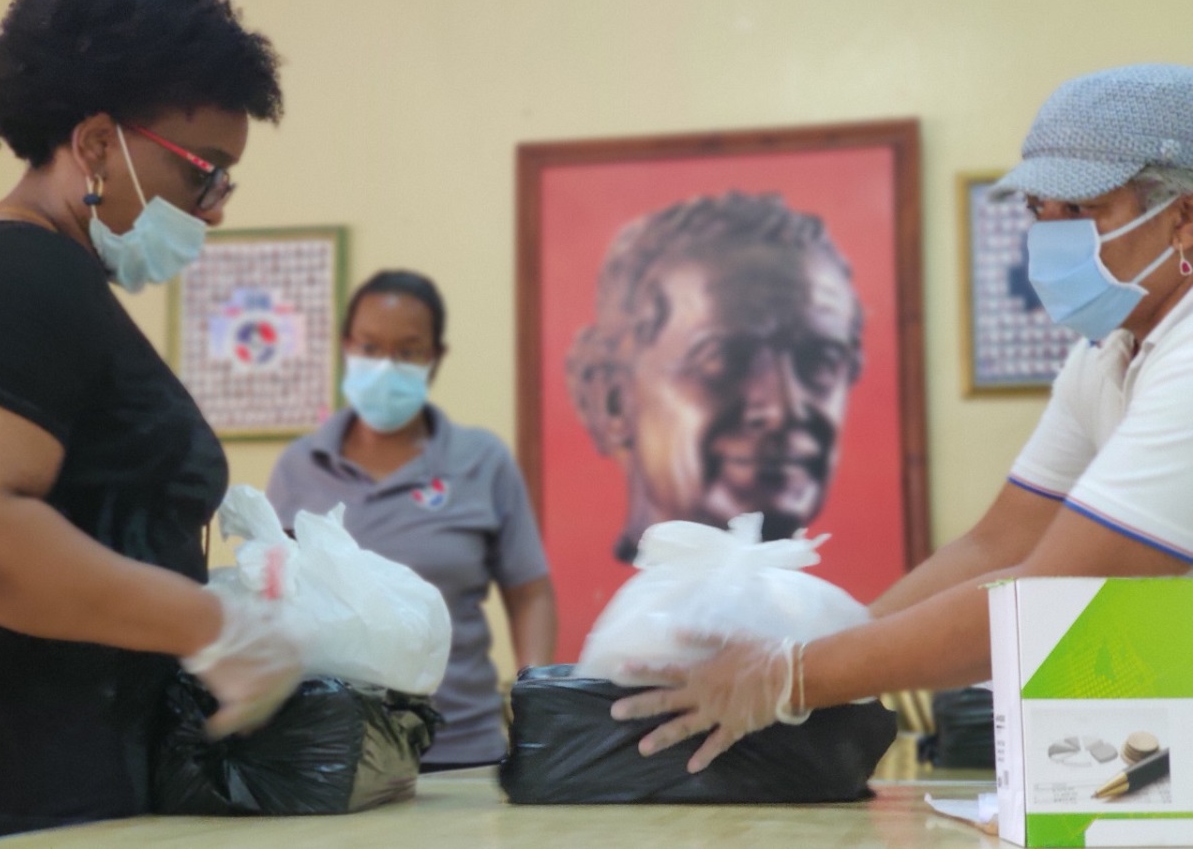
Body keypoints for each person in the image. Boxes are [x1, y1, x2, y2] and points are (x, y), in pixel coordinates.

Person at [610, 63, 1193, 774]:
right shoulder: (1108, 354)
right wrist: (825, 642)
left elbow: (1052, 592)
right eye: (1040, 210)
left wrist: (797, 677)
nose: (1051, 235)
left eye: (1082, 211)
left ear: (1183, 217)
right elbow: (996, 544)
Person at [0, 0, 305, 836]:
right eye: (200, 170)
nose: (213, 207)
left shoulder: (64, 285)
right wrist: (209, 623)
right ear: (95, 145)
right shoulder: (22, 277)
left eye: (226, 180)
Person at [266, 269, 558, 769]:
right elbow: (273, 599)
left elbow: (529, 592)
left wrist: (538, 705)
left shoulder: (481, 460)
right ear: (345, 346)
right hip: (331, 756)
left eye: (408, 352)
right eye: (370, 347)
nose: (385, 367)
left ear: (435, 359)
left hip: (462, 751)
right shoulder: (299, 467)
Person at [566, 191, 864, 562]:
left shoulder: (831, 612)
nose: (782, 409)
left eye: (820, 362)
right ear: (611, 400)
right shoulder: (633, 620)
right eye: (726, 359)